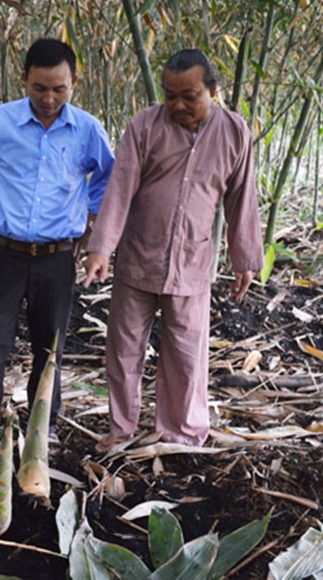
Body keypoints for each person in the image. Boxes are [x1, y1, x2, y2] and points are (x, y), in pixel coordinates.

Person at [83, 49, 263, 450]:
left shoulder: (235, 133)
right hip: (138, 257)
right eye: (170, 96)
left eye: (190, 96)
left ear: (214, 91)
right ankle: (120, 428)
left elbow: (241, 200)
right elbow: (120, 189)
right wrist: (101, 249)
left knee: (185, 354)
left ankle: (181, 434)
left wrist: (245, 259)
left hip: (192, 263)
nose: (178, 105)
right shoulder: (144, 126)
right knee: (125, 350)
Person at [0, 38, 114, 451]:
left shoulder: (87, 129)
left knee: (51, 347)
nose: (48, 98)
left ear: (75, 81)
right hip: (4, 251)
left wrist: (91, 226)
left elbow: (108, 177)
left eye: (59, 89)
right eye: (39, 87)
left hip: (57, 257)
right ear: (23, 78)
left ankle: (45, 425)